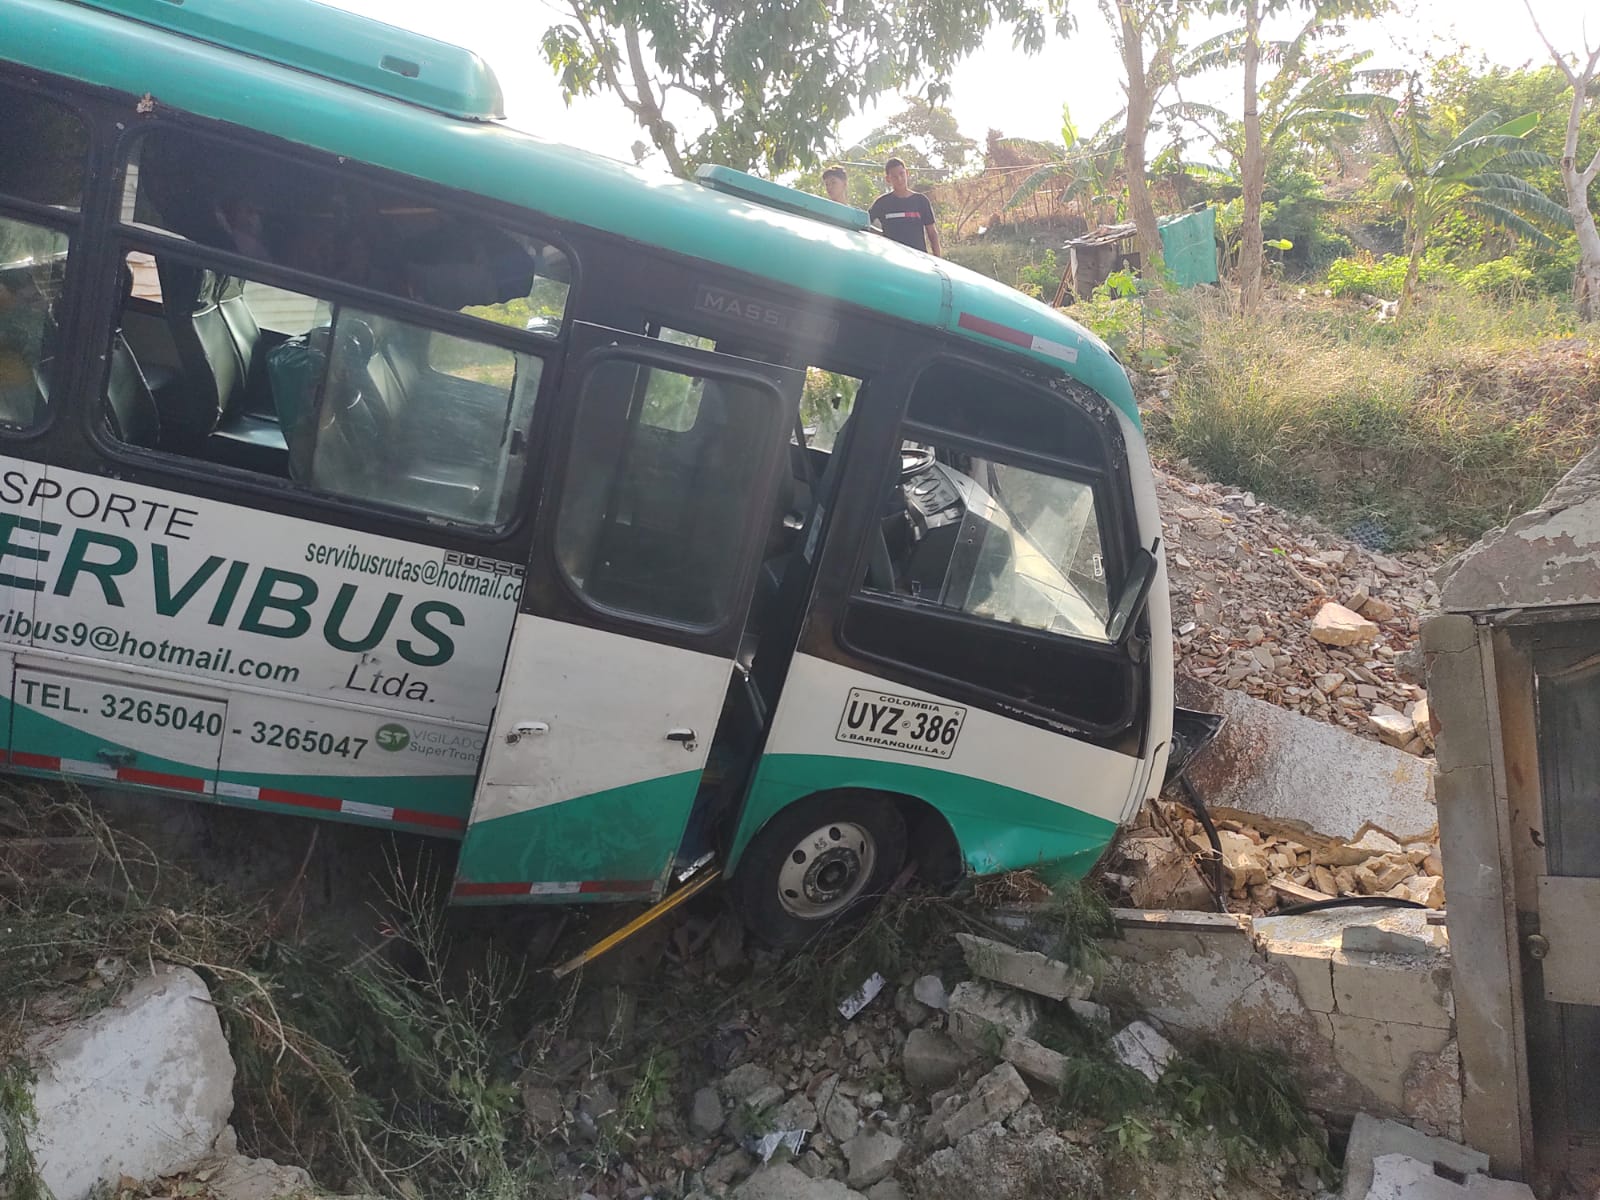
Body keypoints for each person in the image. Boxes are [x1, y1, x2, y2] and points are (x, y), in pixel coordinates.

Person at [868, 158, 941, 256]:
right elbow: (865, 223)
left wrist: (938, 260)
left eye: (901, 174)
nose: (899, 179)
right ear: (888, 179)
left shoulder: (921, 201)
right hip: (893, 260)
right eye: (894, 176)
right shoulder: (882, 203)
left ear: (907, 173)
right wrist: (881, 235)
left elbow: (932, 233)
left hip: (919, 260)